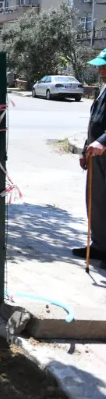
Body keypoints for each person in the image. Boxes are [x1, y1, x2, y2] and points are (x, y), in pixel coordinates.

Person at [78, 48, 106, 261]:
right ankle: (99, 246)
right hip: (96, 155)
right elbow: (94, 122)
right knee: (96, 201)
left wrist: (103, 141)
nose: (100, 71)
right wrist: (85, 149)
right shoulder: (103, 89)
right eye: (100, 67)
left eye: (104, 67)